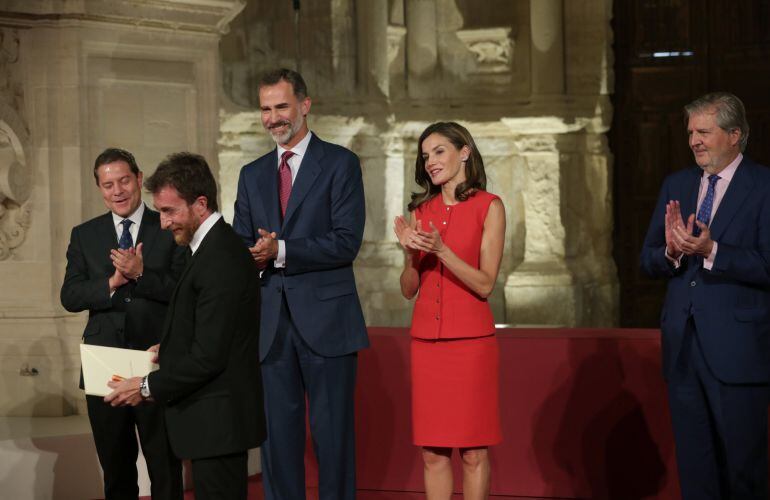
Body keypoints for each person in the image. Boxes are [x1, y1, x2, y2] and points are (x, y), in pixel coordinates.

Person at [232, 68, 368, 500]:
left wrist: (282, 250)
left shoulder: (341, 163)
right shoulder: (251, 174)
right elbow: (239, 242)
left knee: (333, 441)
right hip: (270, 326)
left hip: (328, 324)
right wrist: (251, 257)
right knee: (276, 444)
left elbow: (346, 242)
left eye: (281, 106)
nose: (273, 118)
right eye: (265, 109)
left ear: (304, 106)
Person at [105, 152, 265, 500]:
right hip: (209, 421)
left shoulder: (220, 255)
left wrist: (146, 386)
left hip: (219, 423)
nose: (163, 223)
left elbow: (209, 356)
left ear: (201, 204)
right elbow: (210, 327)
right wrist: (169, 348)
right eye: (160, 211)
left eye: (169, 211)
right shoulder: (206, 248)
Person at [641, 92, 770, 499]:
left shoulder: (764, 186)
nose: (695, 140)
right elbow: (647, 261)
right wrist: (672, 252)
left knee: (743, 469)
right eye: (691, 132)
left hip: (738, 351)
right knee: (696, 470)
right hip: (683, 349)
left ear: (735, 135)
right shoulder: (676, 185)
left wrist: (712, 251)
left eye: (704, 132)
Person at [60, 148, 184, 500]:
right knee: (116, 468)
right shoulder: (85, 234)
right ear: (100, 188)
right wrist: (111, 284)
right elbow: (69, 296)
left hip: (155, 357)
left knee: (164, 466)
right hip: (105, 364)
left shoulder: (168, 223)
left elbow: (183, 289)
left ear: (139, 179)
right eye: (108, 184)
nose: (117, 191)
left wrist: (141, 273)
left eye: (124, 180)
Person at [394, 121, 506, 499]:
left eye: (439, 151)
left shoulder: (488, 207)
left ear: (464, 152)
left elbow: (485, 283)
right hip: (427, 345)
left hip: (471, 346)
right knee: (433, 452)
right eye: (425, 156)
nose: (430, 162)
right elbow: (409, 290)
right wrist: (411, 257)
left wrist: (442, 251)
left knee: (473, 451)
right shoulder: (420, 211)